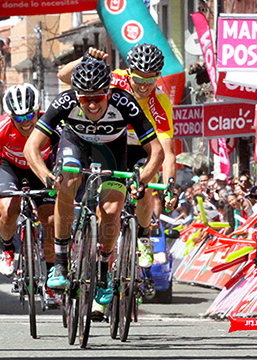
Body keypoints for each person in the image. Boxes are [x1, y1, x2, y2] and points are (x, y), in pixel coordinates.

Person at [24, 56, 164, 307]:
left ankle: (102, 271)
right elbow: (31, 147)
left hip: (112, 152)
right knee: (66, 182)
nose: (91, 105)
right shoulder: (64, 101)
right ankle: (59, 264)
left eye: (97, 97)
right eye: (84, 98)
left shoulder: (125, 102)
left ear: (108, 92)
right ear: (76, 94)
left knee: (111, 212)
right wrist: (45, 175)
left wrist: (140, 180)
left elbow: (156, 151)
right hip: (75, 144)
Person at [57, 44, 177, 267]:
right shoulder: (114, 79)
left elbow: (167, 153)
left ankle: (143, 236)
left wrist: (171, 185)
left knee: (147, 187)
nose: (143, 86)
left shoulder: (160, 103)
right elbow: (64, 77)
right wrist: (83, 60)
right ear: (128, 72)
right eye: (138, 79)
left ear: (158, 77)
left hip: (141, 148)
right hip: (108, 142)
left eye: (149, 81)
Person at [0, 83, 59, 286]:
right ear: (10, 117)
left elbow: (62, 156)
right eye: (18, 118)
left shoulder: (51, 124)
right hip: (11, 168)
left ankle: (53, 272)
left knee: (50, 219)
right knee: (8, 209)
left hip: (40, 168)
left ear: (38, 111)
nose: (25, 122)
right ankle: (8, 249)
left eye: (29, 116)